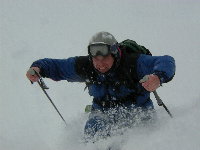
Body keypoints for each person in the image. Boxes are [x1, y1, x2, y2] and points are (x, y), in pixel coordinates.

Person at [26, 31, 176, 142]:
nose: (100, 64)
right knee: (93, 133)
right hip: (102, 113)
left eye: (104, 58)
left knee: (138, 141)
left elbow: (166, 61)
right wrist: (38, 68)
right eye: (95, 59)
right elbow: (57, 66)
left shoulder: (133, 63)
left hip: (138, 113)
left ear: (115, 54)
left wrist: (158, 77)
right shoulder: (86, 66)